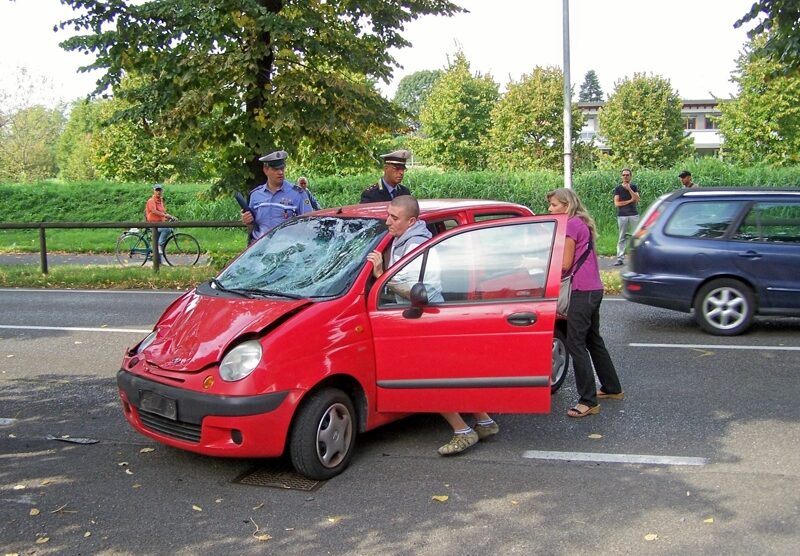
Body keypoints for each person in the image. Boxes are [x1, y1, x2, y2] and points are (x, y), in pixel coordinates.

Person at [366, 195, 498, 456]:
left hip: (424, 316)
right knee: (450, 375)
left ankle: (463, 431)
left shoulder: (417, 245)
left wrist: (382, 276)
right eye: (388, 215)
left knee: (427, 379)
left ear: (411, 220)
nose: (387, 221)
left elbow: (416, 289)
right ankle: (484, 421)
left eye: (394, 217)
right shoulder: (402, 239)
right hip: (423, 314)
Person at [547, 188, 624, 418]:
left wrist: (538, 259)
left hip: (581, 290)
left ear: (566, 205)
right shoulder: (582, 222)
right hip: (594, 289)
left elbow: (565, 263)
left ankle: (587, 401)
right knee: (593, 340)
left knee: (575, 343)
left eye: (553, 205)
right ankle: (612, 388)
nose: (550, 209)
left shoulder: (571, 224)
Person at [240, 150, 314, 243]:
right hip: (259, 248)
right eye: (276, 169)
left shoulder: (298, 194)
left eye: (282, 168)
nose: (280, 172)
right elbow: (253, 226)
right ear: (266, 170)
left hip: (286, 250)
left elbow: (308, 223)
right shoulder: (255, 195)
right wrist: (247, 221)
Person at [612, 168, 640, 266]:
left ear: (630, 176)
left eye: (627, 175)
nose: (625, 176)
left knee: (636, 236)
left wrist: (629, 189)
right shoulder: (618, 189)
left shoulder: (634, 187)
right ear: (621, 176)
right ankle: (620, 258)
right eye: (623, 175)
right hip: (622, 215)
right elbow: (617, 203)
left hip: (633, 214)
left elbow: (636, 199)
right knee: (622, 237)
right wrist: (629, 201)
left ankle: (637, 257)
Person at [144, 184, 174, 254]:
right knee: (167, 229)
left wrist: (170, 216)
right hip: (153, 224)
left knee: (159, 239)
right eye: (157, 190)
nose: (158, 192)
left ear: (162, 191)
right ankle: (158, 246)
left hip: (159, 223)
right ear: (153, 191)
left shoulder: (160, 201)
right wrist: (165, 215)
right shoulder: (151, 200)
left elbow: (163, 212)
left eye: (159, 190)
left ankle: (158, 261)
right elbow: (154, 211)